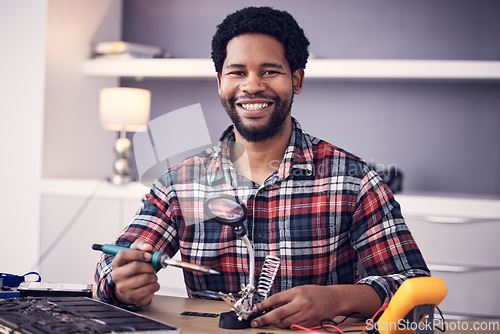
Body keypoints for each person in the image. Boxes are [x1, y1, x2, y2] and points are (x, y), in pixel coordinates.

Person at [95, 6, 429, 329]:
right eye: (237, 72)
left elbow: (417, 290)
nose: (252, 85)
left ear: (296, 79)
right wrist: (123, 282)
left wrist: (336, 299)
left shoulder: (354, 181)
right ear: (220, 82)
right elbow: (111, 266)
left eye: (269, 71)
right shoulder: (179, 183)